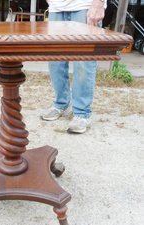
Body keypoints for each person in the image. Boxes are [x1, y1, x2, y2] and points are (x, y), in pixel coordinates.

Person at [41, 0, 107, 133]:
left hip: (85, 6)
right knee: (55, 62)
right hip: (56, 8)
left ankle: (82, 113)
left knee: (84, 62)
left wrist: (98, 3)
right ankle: (61, 103)